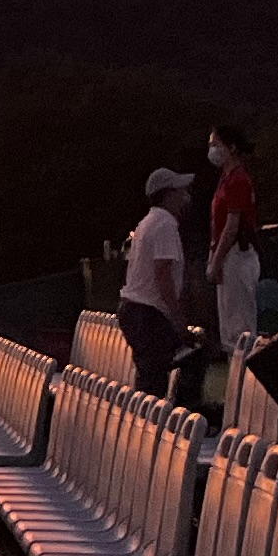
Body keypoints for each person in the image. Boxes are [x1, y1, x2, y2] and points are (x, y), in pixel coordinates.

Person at [116, 168, 190, 394]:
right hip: (147, 314)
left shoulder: (148, 222)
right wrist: (178, 320)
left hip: (133, 310)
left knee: (149, 374)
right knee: (156, 378)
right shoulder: (165, 224)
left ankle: (145, 421)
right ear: (169, 194)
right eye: (181, 190)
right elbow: (163, 274)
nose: (186, 195)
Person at [203, 121, 264, 354]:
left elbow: (232, 225)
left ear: (232, 148)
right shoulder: (225, 179)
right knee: (229, 326)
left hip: (237, 256)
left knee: (241, 327)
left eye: (216, 144)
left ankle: (247, 378)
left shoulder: (238, 179)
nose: (212, 150)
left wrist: (216, 261)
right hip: (227, 257)